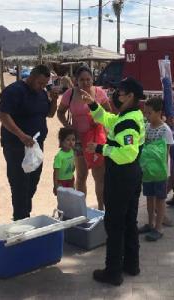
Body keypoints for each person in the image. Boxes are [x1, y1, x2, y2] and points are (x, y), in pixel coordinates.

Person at [81, 77, 145, 286]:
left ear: (131, 96)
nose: (117, 96)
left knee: (115, 224)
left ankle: (113, 272)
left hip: (122, 176)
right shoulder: (127, 116)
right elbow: (107, 119)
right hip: (130, 176)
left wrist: (100, 148)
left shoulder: (128, 121)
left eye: (121, 92)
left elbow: (127, 154)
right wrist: (92, 103)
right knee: (128, 221)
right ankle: (131, 265)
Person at [0, 65, 59, 221]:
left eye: (45, 84)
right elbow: (3, 116)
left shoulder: (42, 94)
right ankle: (20, 218)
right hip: (16, 146)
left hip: (36, 146)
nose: (42, 87)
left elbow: (50, 114)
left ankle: (25, 214)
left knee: (33, 181)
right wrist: (21, 135)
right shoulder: (14, 91)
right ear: (31, 76)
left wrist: (54, 99)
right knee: (19, 184)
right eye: (40, 83)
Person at [57, 66, 112, 210]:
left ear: (92, 79)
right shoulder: (69, 94)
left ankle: (101, 209)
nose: (86, 83)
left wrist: (100, 120)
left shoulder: (99, 93)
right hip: (78, 141)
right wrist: (67, 125)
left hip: (96, 139)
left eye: (88, 79)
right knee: (81, 176)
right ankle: (81, 210)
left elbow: (108, 112)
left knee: (99, 177)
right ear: (76, 80)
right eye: (82, 80)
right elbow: (60, 112)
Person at [138, 97, 174, 241]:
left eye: (149, 113)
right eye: (145, 113)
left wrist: (166, 173)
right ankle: (150, 224)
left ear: (159, 112)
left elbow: (167, 153)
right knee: (149, 198)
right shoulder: (146, 127)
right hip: (147, 172)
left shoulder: (165, 130)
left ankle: (159, 228)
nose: (147, 116)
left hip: (160, 173)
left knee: (160, 200)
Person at [53, 127, 76, 195]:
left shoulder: (72, 152)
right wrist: (55, 185)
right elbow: (55, 172)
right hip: (61, 182)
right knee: (63, 201)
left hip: (71, 180)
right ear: (62, 141)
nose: (71, 142)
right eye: (68, 140)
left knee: (71, 199)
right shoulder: (59, 156)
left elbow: (72, 165)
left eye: (73, 139)